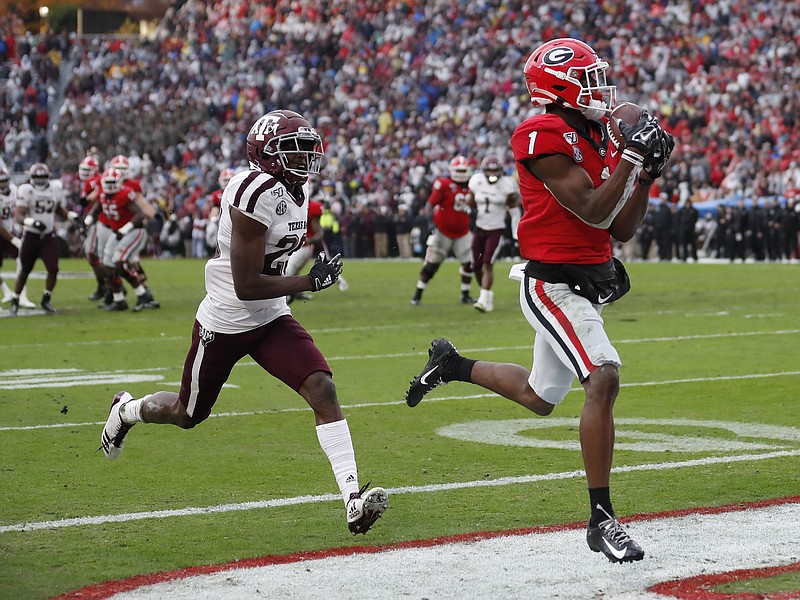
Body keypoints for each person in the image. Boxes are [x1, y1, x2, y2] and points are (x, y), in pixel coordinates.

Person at [404, 38, 674, 563]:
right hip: (550, 281)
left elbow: (620, 225)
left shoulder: (595, 134)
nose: (600, 88)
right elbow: (595, 210)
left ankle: (452, 364)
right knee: (604, 376)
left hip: (583, 280)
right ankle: (602, 520)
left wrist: (644, 175)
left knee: (539, 396)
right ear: (559, 87)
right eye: (589, 78)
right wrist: (632, 158)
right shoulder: (541, 132)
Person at [99, 109, 388, 535]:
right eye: (296, 150)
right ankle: (127, 410)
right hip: (228, 316)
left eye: (309, 149)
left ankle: (352, 500)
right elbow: (247, 283)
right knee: (187, 413)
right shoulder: (254, 192)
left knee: (322, 387)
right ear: (267, 155)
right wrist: (310, 279)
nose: (308, 159)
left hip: (270, 316)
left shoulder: (294, 188)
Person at [9, 162, 78, 316]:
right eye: (37, 177)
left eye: (43, 177)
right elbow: (19, 214)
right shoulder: (27, 190)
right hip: (31, 235)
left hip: (47, 235)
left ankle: (46, 299)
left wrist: (70, 216)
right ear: (31, 178)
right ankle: (15, 299)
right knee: (25, 270)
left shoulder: (54, 188)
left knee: (53, 269)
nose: (40, 180)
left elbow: (58, 209)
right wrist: (31, 222)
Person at [87, 168, 159, 312]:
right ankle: (119, 300)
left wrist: (125, 229)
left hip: (133, 232)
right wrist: (88, 219)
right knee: (107, 265)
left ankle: (142, 294)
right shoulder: (102, 194)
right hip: (117, 233)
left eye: (113, 182)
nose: (110, 186)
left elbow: (140, 215)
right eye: (107, 182)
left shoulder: (125, 194)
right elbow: (97, 207)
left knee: (119, 262)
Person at [410, 156, 476, 305]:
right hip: (443, 231)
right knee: (433, 264)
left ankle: (465, 294)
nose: (460, 173)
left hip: (463, 232)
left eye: (463, 170)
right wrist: (430, 223)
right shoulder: (444, 184)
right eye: (458, 170)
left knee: (468, 264)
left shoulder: (473, 186)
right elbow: (429, 205)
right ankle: (418, 294)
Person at [468, 154, 521, 312]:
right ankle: (487, 294)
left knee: (488, 263)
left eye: (495, 171)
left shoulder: (507, 184)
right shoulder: (476, 181)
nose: (492, 175)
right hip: (479, 228)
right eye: (489, 171)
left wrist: (516, 233)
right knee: (476, 266)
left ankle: (483, 299)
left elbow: (514, 211)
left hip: (496, 229)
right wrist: (469, 210)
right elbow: (471, 202)